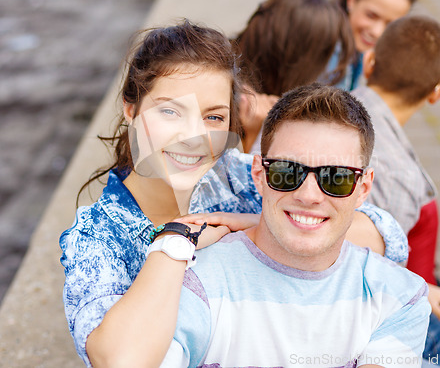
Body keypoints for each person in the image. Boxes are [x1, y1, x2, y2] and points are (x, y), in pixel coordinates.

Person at [60, 21, 406, 367]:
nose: (194, 136)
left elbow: (385, 235)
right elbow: (118, 361)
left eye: (213, 117)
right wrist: (176, 242)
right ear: (131, 109)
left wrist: (253, 225)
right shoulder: (100, 236)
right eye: (170, 111)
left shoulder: (240, 177)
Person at [161, 84, 431, 367]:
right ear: (259, 175)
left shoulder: (401, 298)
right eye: (287, 172)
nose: (308, 196)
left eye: (335, 178)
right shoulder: (195, 284)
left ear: (363, 188)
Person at [353, 15, 440, 367]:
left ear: (370, 62)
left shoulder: (331, 104)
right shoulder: (398, 176)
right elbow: (370, 275)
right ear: (438, 91)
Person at [232, 0, 354, 153]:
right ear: (296, 58)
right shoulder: (234, 107)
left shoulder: (230, 68)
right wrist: (256, 137)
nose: (328, 69)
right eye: (325, 55)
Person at [327, 0, 422, 91]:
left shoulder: (356, 45)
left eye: (390, 25)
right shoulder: (326, 49)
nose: (377, 32)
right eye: (371, 15)